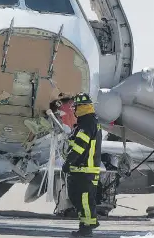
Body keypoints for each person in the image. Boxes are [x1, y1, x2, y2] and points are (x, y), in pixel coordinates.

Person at [61, 93, 102, 237]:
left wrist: (69, 161)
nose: (74, 110)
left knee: (84, 199)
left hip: (85, 169)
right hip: (82, 169)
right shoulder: (87, 121)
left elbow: (80, 146)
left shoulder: (87, 123)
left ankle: (87, 228)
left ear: (81, 107)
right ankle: (85, 225)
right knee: (77, 197)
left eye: (75, 106)